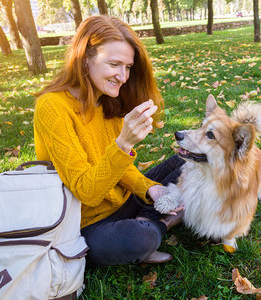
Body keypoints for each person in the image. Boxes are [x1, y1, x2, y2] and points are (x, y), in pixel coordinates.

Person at [33, 15, 184, 266]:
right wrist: (123, 144)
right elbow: (86, 192)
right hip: (85, 224)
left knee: (190, 161)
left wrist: (150, 188)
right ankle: (162, 223)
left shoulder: (109, 99)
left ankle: (154, 215)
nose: (123, 77)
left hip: (122, 201)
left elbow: (118, 167)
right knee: (138, 238)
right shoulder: (52, 107)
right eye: (114, 64)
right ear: (84, 61)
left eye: (128, 67)